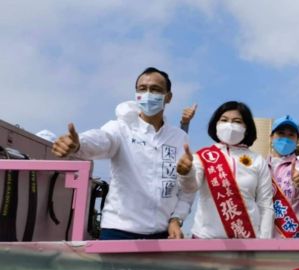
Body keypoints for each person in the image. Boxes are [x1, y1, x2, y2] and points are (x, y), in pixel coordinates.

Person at [52, 67, 194, 240]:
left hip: (162, 234)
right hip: (118, 232)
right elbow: (102, 139)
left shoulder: (179, 137)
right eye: (142, 89)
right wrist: (78, 144)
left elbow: (187, 190)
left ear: (168, 97)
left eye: (155, 89)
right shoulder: (121, 127)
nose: (148, 94)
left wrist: (176, 219)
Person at [176, 101, 274, 239]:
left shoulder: (258, 160)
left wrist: (264, 243)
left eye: (237, 121)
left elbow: (265, 205)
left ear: (247, 127)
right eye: (224, 120)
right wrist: (186, 173)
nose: (230, 125)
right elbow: (190, 187)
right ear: (216, 125)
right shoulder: (203, 156)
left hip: (248, 242)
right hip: (206, 240)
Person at [268, 115, 299, 238]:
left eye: (291, 135)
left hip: (293, 234)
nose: (285, 138)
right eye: (281, 133)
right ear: (271, 137)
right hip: (265, 235)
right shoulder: (259, 166)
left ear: (297, 140)